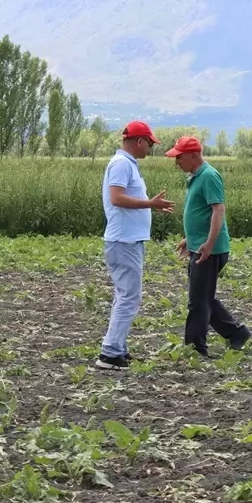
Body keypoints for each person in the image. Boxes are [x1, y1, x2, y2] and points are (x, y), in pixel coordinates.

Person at [96, 121, 174, 371]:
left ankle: (117, 348)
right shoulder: (121, 164)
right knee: (129, 296)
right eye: (150, 144)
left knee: (126, 295)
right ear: (139, 141)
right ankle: (110, 353)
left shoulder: (127, 165)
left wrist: (150, 206)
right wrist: (150, 205)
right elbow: (116, 198)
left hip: (127, 241)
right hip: (123, 241)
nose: (150, 149)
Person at [165, 135, 251, 357]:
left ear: (194, 155)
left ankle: (195, 349)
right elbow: (201, 212)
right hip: (200, 246)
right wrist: (190, 238)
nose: (176, 162)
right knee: (203, 296)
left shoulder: (210, 176)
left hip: (210, 251)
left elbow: (218, 210)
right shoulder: (195, 176)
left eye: (179, 157)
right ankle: (236, 333)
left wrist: (209, 245)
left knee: (198, 301)